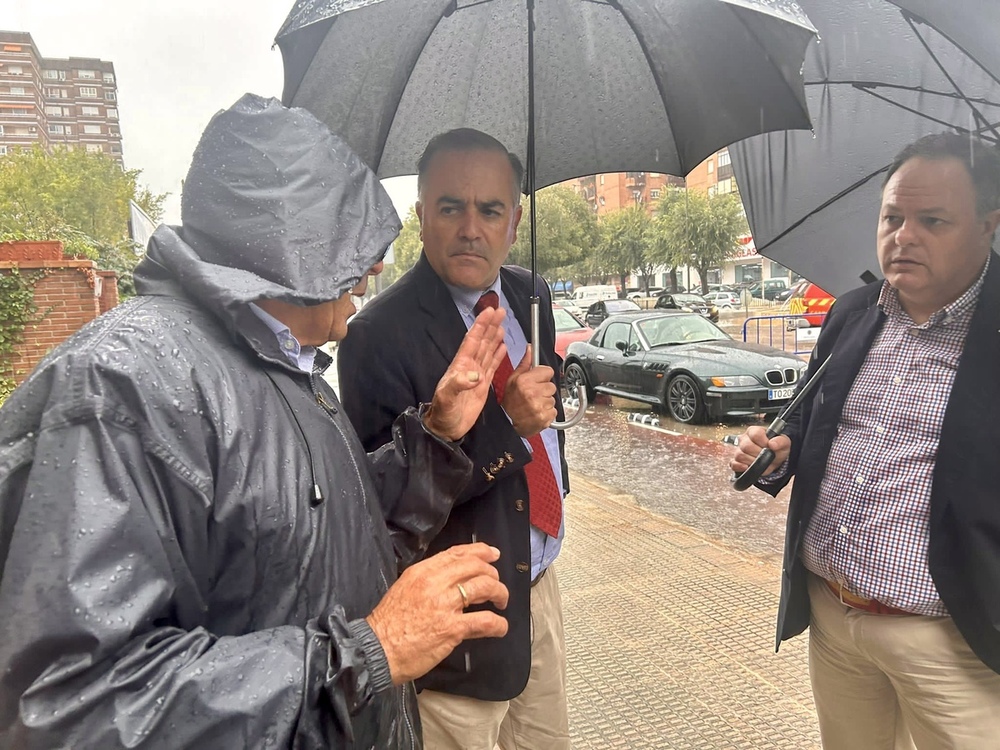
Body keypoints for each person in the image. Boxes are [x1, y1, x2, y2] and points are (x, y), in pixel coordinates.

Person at [0, 94, 514, 749]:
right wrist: (365, 654)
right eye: (347, 239)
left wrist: (437, 439)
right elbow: (71, 707)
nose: (376, 264)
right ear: (285, 246)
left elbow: (335, 540)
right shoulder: (125, 386)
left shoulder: (290, 369)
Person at [730, 132, 1000, 749]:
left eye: (932, 220)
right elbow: (809, 423)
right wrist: (780, 452)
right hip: (833, 618)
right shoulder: (853, 313)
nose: (904, 236)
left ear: (988, 225)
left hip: (952, 641)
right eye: (892, 216)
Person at [338, 128, 571, 749]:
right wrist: (505, 424)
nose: (472, 227)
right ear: (422, 216)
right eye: (450, 208)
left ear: (515, 220)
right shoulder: (374, 338)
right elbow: (382, 511)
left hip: (541, 592)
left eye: (490, 209)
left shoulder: (532, 296)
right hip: (456, 633)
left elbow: (544, 427)